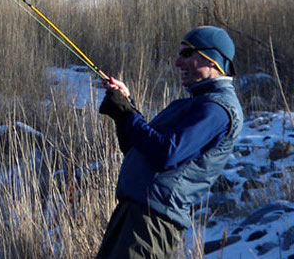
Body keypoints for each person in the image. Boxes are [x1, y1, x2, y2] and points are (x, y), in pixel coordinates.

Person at [96, 26, 244, 259]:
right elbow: (138, 149)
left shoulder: (217, 109)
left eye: (186, 54)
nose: (177, 62)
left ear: (212, 59)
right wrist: (125, 107)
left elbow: (167, 153)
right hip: (135, 214)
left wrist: (128, 114)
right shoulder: (193, 104)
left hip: (150, 223)